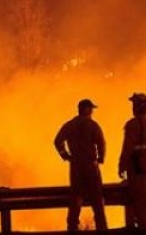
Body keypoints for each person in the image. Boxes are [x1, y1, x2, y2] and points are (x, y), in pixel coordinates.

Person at [54, 98, 108, 232]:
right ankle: (101, 227)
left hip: (76, 166)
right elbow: (101, 143)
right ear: (86, 109)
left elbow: (57, 141)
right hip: (90, 165)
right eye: (91, 109)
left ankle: (72, 227)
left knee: (76, 197)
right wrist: (101, 158)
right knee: (97, 198)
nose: (92, 112)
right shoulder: (92, 125)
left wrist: (65, 155)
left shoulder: (70, 125)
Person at [118, 92, 146, 231]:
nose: (132, 108)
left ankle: (144, 229)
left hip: (138, 169)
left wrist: (122, 165)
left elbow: (128, 147)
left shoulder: (133, 125)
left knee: (141, 201)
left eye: (134, 105)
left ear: (138, 107)